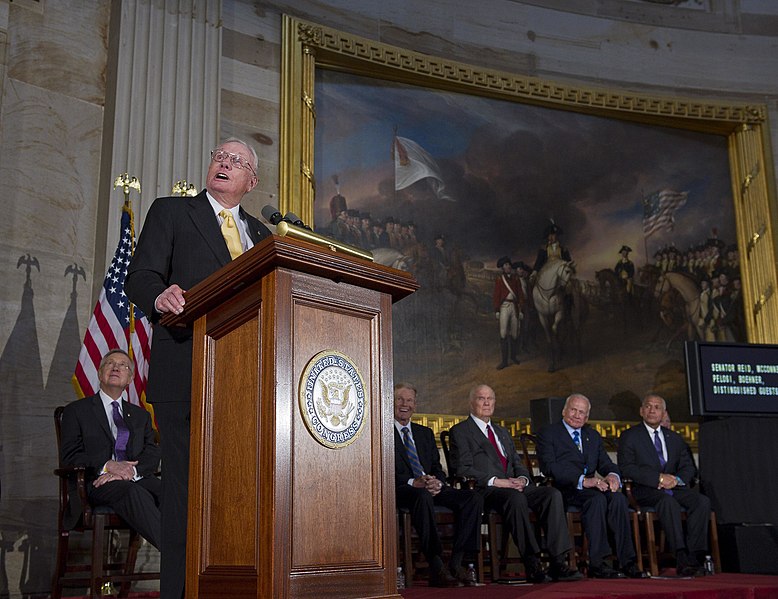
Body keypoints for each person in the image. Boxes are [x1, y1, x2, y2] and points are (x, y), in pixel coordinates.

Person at [125, 138, 272, 598]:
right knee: (185, 493)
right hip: (185, 368)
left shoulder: (265, 238)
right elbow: (140, 275)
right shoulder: (172, 212)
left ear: (252, 181)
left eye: (236, 162)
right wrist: (159, 295)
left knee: (238, 492)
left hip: (245, 380)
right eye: (219, 157)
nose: (224, 164)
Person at [448, 384, 582, 583]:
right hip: (485, 490)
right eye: (481, 398)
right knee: (515, 498)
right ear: (471, 403)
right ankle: (532, 562)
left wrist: (522, 479)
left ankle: (557, 561)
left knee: (551, 494)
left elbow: (517, 464)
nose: (486, 403)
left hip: (513, 486)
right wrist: (497, 481)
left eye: (490, 399)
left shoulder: (502, 431)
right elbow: (463, 469)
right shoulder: (460, 431)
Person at [536, 394, 647, 578]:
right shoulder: (549, 433)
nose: (577, 415)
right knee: (596, 500)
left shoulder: (592, 435)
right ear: (564, 411)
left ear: (587, 417)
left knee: (618, 499)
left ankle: (627, 561)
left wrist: (612, 475)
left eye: (582, 412)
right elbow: (549, 466)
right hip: (564, 489)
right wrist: (582, 480)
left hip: (591, 488)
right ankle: (598, 563)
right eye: (573, 410)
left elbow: (605, 463)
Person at [60, 349, 161, 550]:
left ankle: (190, 553)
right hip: (95, 483)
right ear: (99, 373)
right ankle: (179, 559)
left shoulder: (141, 416)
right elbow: (69, 456)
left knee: (174, 493)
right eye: (110, 363)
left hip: (133, 479)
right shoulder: (76, 411)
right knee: (132, 491)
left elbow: (152, 453)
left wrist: (129, 471)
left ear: (130, 378)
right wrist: (108, 466)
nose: (116, 367)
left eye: (123, 365)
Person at [393, 383, 483, 587]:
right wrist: (413, 482)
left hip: (430, 487)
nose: (404, 404)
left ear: (415, 405)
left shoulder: (424, 433)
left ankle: (457, 562)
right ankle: (436, 565)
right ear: (391, 403)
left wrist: (438, 482)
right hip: (402, 489)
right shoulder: (381, 432)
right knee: (422, 495)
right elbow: (381, 471)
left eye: (409, 400)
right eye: (399, 399)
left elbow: (437, 467)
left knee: (473, 498)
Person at [617, 393, 711, 577]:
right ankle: (681, 555)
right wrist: (658, 478)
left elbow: (688, 467)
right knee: (668, 503)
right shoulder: (630, 436)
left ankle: (695, 556)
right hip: (645, 489)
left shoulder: (674, 438)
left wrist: (676, 480)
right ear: (641, 411)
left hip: (674, 487)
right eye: (648, 406)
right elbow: (627, 468)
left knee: (702, 501)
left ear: (663, 413)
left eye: (657, 407)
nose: (652, 410)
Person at [492, 257, 523, 369]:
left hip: (514, 307)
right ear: (502, 268)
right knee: (503, 333)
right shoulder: (500, 280)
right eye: (505, 265)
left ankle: (513, 357)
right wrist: (497, 310)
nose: (508, 266)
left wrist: (521, 310)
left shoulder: (516, 279)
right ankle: (504, 361)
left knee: (515, 333)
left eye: (509, 264)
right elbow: (496, 295)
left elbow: (520, 295)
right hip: (504, 307)